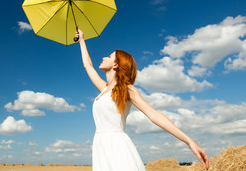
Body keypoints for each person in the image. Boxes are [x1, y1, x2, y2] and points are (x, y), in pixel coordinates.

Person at [75, 29, 209, 171]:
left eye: (109, 57)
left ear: (116, 65)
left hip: (117, 147)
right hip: (101, 147)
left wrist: (189, 141)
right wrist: (82, 41)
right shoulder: (104, 89)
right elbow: (87, 66)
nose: (103, 58)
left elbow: (154, 114)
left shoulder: (127, 90)